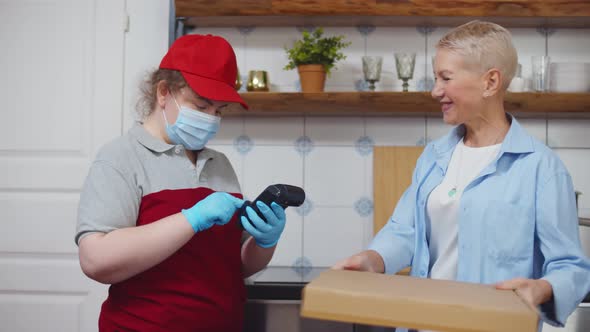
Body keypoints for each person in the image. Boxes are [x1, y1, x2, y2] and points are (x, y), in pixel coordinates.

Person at [333, 20, 590, 331]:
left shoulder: (541, 168)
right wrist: (373, 259)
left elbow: (570, 267)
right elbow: (406, 232)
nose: (434, 91)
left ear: (490, 82)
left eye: (446, 78)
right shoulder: (434, 156)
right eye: (435, 78)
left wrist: (540, 288)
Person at [75, 34, 287, 332]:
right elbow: (95, 260)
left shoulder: (220, 164)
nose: (211, 119)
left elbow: (236, 265)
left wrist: (265, 241)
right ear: (164, 93)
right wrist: (190, 219)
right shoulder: (120, 158)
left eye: (218, 111)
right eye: (201, 106)